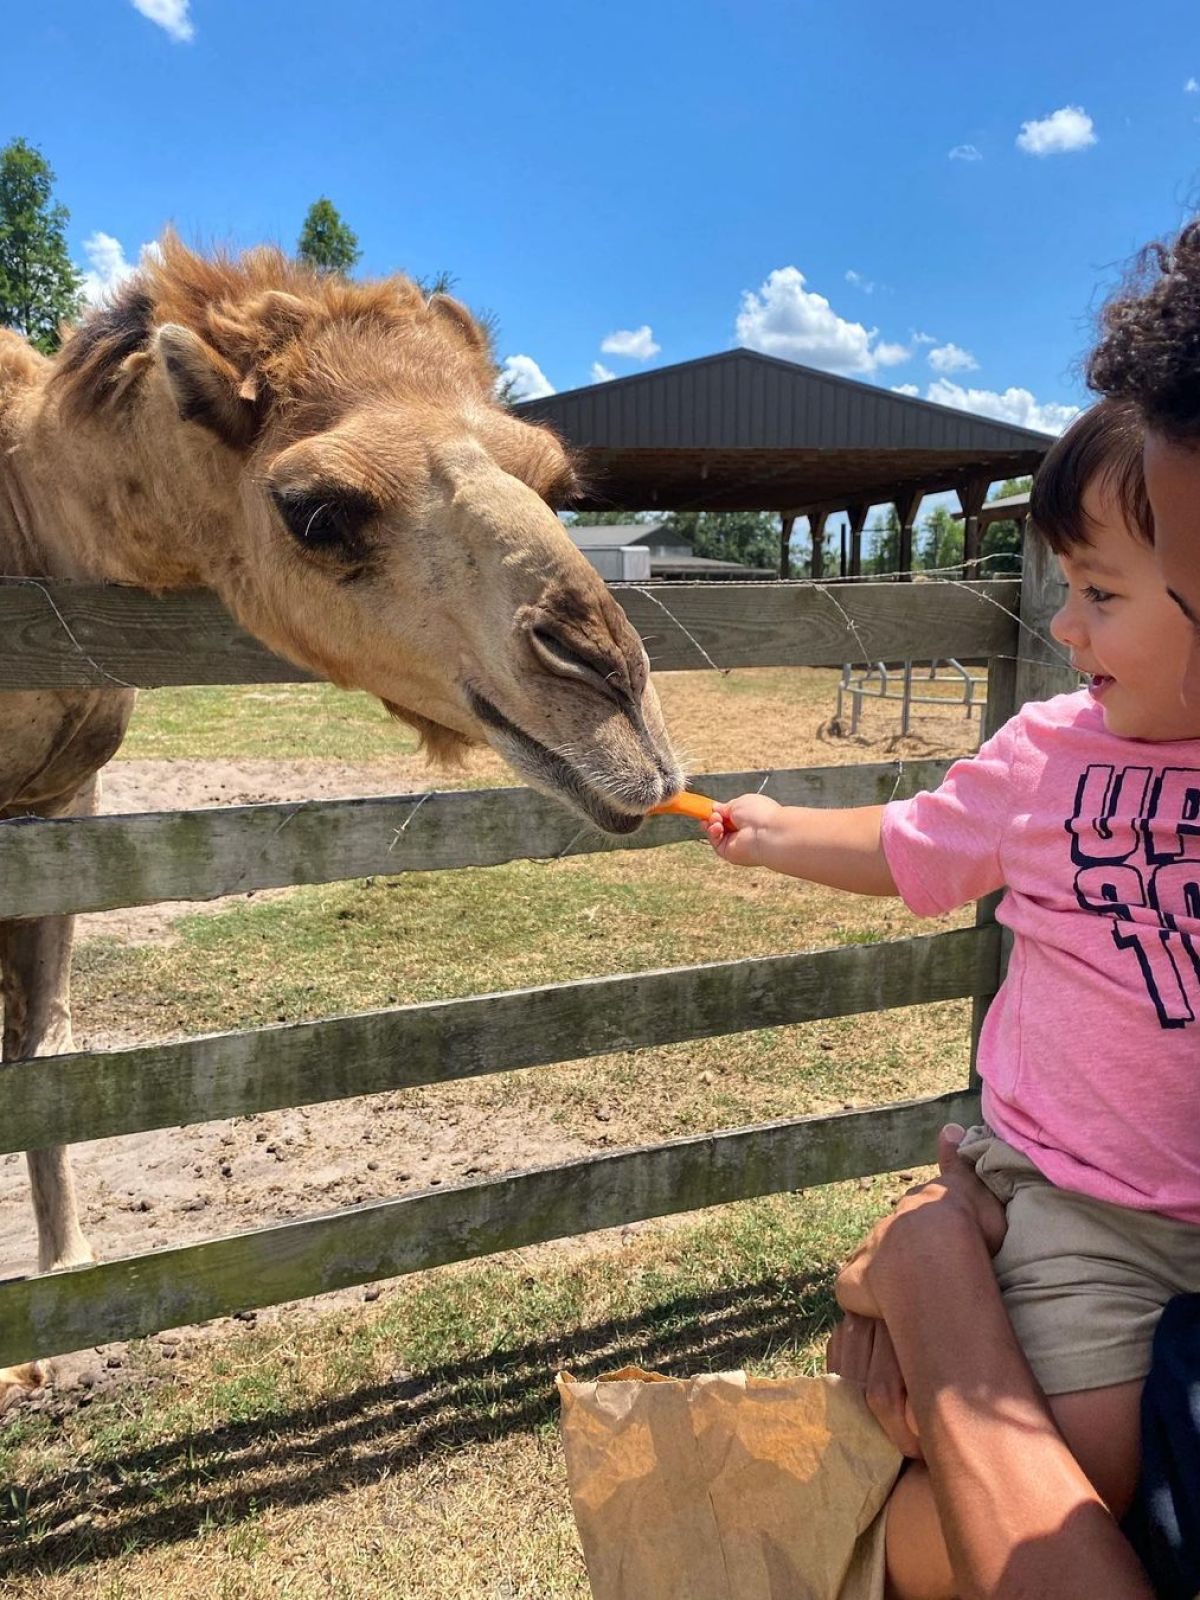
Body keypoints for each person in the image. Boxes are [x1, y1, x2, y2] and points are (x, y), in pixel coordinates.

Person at [703, 399, 1200, 1599]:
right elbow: (913, 845)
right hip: (1084, 1202)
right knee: (1090, 1463)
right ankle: (894, 1553)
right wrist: (778, 832)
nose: (1066, 624)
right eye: (1067, 586)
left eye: (1104, 593)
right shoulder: (1047, 755)